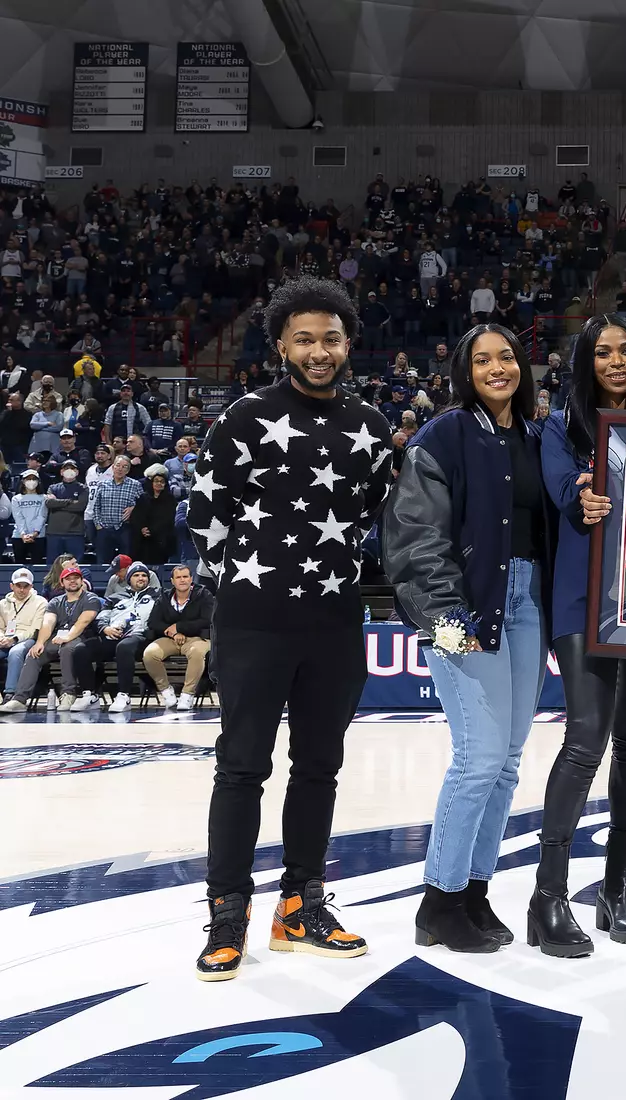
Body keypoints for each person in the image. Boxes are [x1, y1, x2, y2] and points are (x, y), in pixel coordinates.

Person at [187, 275, 395, 982]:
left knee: (320, 767)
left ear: (347, 344)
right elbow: (205, 521)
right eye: (304, 339)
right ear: (281, 344)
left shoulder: (369, 425)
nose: (318, 351)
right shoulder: (243, 416)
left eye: (330, 339)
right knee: (241, 766)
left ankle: (300, 904)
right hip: (253, 621)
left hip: (334, 622)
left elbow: (371, 517)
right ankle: (227, 911)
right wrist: (250, 588)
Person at [383, 323, 554, 955]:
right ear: (465, 371)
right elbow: (414, 536)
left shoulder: (537, 437)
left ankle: (474, 893)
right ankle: (438, 902)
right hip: (466, 608)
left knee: (507, 763)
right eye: (482, 360)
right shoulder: (444, 434)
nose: (497, 368)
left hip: (529, 603)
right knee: (478, 758)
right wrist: (448, 619)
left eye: (506, 357)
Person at [534, 314, 626, 956]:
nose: (617, 362)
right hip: (584, 600)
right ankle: (550, 894)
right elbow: (566, 486)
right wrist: (585, 493)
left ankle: (619, 889)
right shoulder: (561, 425)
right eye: (603, 353)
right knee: (586, 738)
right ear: (585, 362)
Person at [0, 563, 103, 713]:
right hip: (57, 638)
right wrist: (40, 643)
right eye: (68, 579)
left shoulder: (91, 598)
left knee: (67, 649)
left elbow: (84, 621)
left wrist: (67, 637)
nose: (72, 581)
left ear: (82, 581)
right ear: (62, 583)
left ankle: (68, 693)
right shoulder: (56, 601)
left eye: (76, 578)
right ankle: (20, 699)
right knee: (34, 653)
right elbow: (47, 622)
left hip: (82, 637)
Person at [69, 561, 157, 713]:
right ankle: (89, 694)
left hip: (140, 637)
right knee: (81, 649)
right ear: (129, 579)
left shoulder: (158, 595)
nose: (141, 578)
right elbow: (102, 616)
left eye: (144, 575)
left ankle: (124, 695)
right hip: (113, 635)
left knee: (124, 647)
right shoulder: (115, 597)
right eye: (136, 575)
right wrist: (105, 628)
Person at [142, 563, 214, 709]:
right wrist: (173, 632)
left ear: (191, 579)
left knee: (196, 653)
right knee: (150, 654)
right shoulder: (165, 597)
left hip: (198, 638)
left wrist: (180, 627)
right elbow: (153, 622)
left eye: (185, 577)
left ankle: (188, 694)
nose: (182, 580)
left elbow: (208, 620)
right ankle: (166, 690)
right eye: (178, 577)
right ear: (172, 581)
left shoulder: (203, 594)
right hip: (171, 639)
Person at [0, 568, 48, 700]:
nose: (22, 590)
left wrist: (14, 639)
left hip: (28, 639)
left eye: (25, 586)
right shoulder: (3, 604)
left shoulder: (41, 602)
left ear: (31, 586)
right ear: (12, 586)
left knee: (16, 652)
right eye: (18, 586)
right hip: (5, 639)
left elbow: (35, 629)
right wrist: (2, 638)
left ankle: (10, 694)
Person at [43, 461, 88, 576]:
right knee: (52, 567)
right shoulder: (53, 488)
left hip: (75, 533)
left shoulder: (83, 488)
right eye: (66, 468)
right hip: (54, 532)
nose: (69, 471)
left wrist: (58, 503)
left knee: (76, 567)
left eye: (72, 468)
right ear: (61, 472)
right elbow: (49, 503)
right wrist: (69, 502)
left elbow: (80, 506)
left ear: (77, 472)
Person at [129, 465, 178, 565]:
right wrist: (142, 529)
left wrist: (153, 530)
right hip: (143, 539)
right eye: (156, 481)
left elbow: (168, 518)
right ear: (151, 483)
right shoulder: (143, 498)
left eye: (162, 481)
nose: (159, 483)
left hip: (161, 538)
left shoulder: (169, 499)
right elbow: (136, 517)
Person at [11, 471, 46, 564]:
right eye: (28, 479)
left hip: (38, 536)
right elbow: (18, 517)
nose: (31, 481)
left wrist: (34, 534)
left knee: (37, 565)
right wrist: (23, 534)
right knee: (19, 566)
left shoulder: (43, 498)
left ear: (38, 481)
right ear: (23, 481)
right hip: (19, 536)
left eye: (34, 479)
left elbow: (42, 516)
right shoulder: (16, 498)